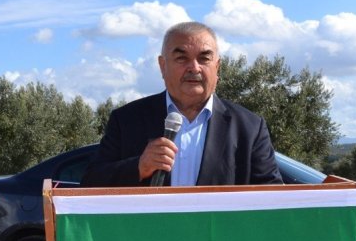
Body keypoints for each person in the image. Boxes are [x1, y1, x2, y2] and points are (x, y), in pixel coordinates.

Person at [81, 21, 283, 187]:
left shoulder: (250, 127)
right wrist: (139, 167)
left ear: (217, 67)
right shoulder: (126, 120)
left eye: (204, 58)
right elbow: (90, 183)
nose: (194, 68)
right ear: (163, 66)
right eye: (181, 58)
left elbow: (272, 198)